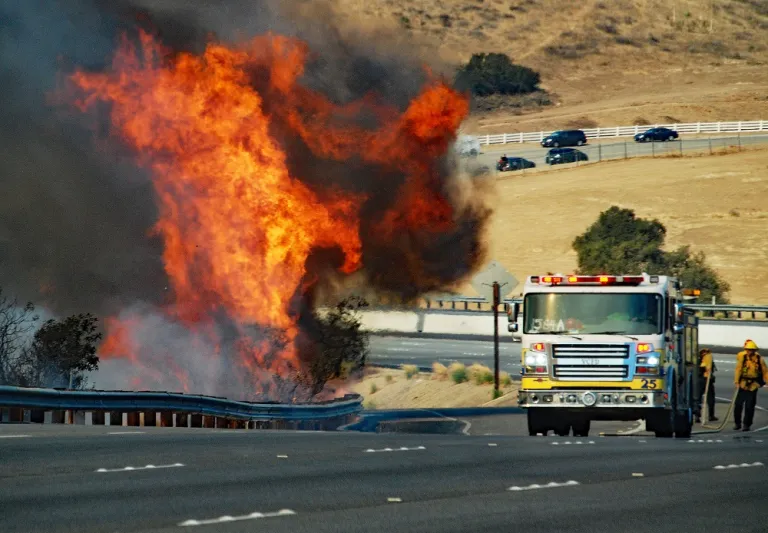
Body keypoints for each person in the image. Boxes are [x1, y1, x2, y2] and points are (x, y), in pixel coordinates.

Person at [733, 339, 768, 431]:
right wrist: (736, 382)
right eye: (747, 349)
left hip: (753, 385)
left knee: (749, 406)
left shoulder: (760, 360)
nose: (749, 351)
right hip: (742, 384)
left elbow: (765, 372)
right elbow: (738, 369)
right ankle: (737, 423)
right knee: (738, 405)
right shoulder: (743, 358)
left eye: (751, 349)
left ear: (754, 350)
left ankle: (746, 424)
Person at [696, 348, 717, 423]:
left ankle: (697, 416)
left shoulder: (699, 360)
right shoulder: (707, 359)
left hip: (702, 380)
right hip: (705, 380)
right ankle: (709, 416)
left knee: (698, 398)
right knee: (709, 398)